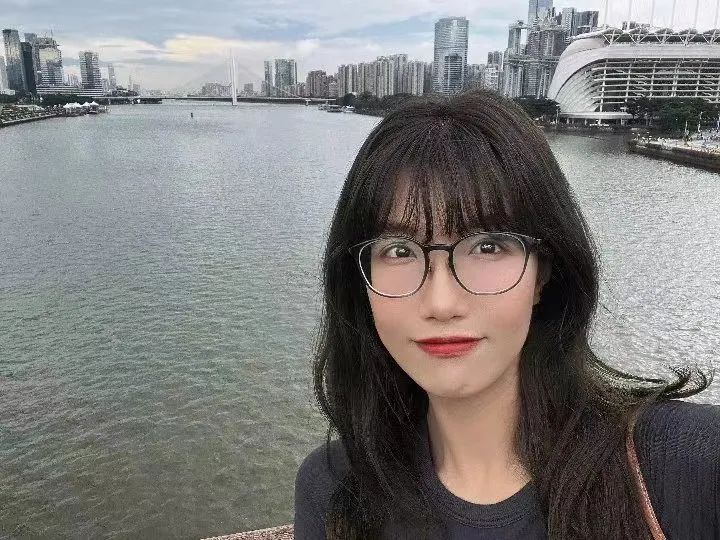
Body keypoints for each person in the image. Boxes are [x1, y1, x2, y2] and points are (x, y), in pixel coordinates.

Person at [294, 89, 719, 540]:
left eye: (487, 246)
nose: (441, 303)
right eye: (399, 250)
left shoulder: (690, 466)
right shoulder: (335, 490)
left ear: (543, 273)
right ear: (359, 280)